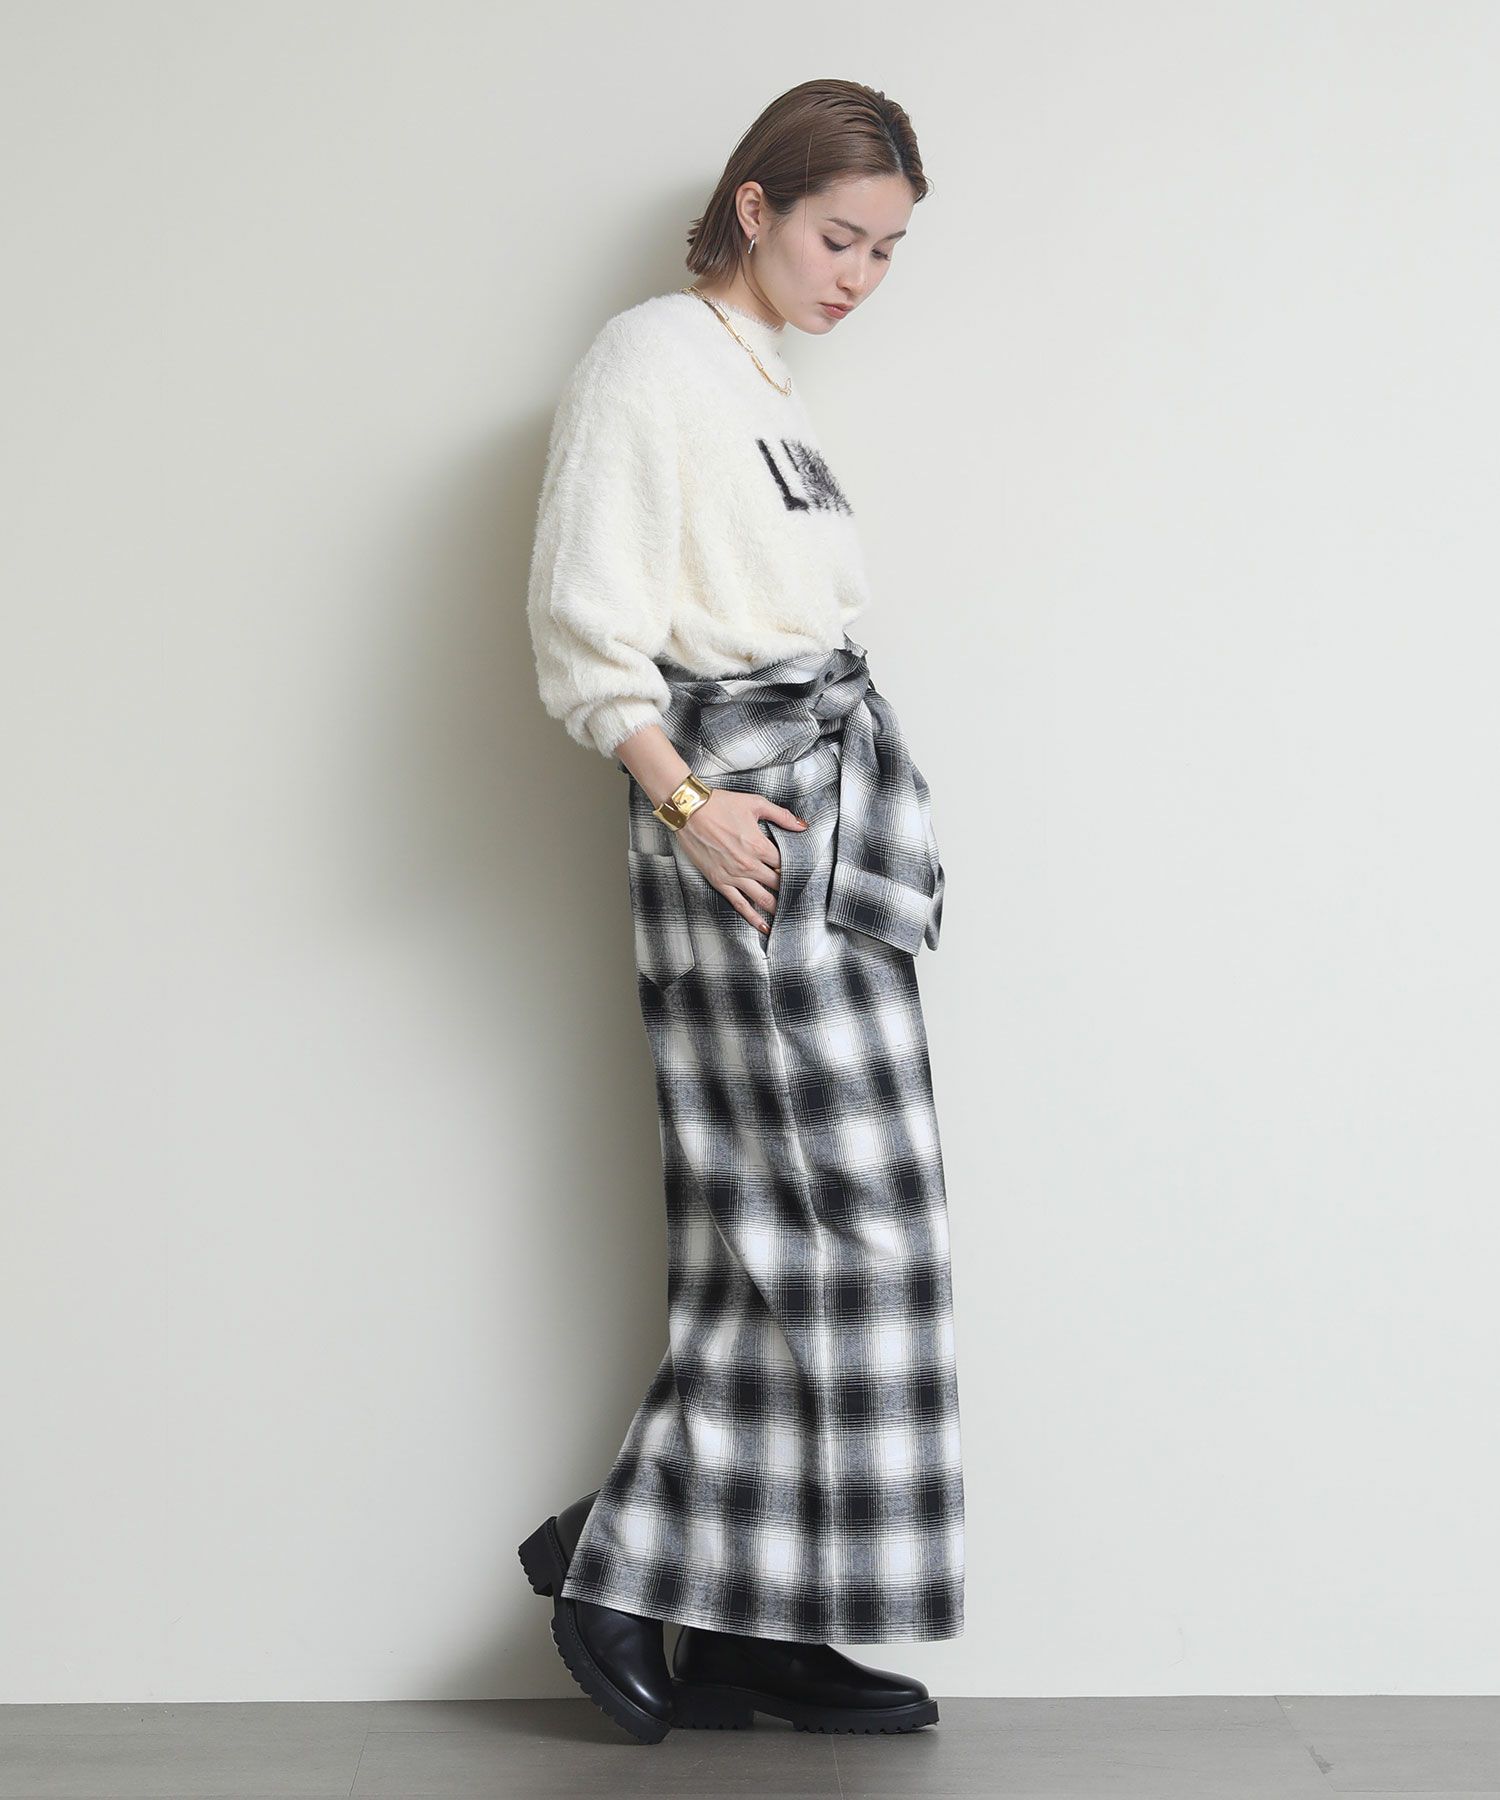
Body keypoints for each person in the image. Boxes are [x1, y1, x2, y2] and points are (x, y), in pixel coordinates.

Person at [519, 77, 965, 1743]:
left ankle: (760, 1620)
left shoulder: (767, 387)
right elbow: (586, 621)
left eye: (889, 251)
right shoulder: (652, 359)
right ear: (757, 205)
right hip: (736, 818)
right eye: (842, 237)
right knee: (806, 1225)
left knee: (852, 1232)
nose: (863, 276)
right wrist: (686, 804)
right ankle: (615, 1564)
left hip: (821, 824)